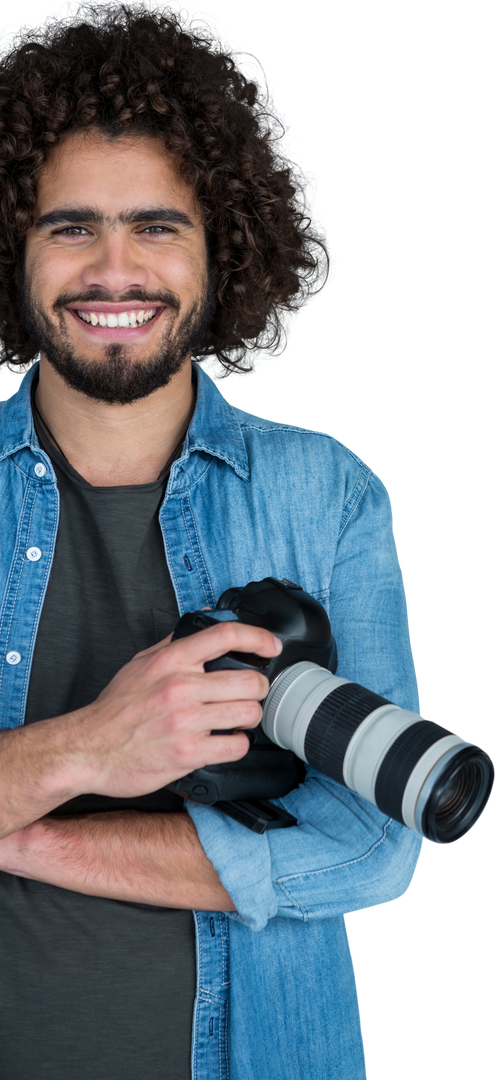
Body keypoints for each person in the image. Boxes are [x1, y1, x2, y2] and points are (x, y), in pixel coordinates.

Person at [0, 3, 425, 1077]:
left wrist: (33, 835)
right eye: (69, 225)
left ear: (224, 246)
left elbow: (377, 847)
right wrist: (94, 747)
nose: (113, 271)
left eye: (158, 225)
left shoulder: (325, 491)